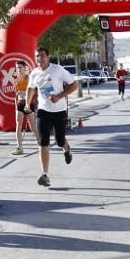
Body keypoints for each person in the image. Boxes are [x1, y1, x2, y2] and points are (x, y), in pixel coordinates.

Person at [27, 47, 78, 188]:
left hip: (60, 110)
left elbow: (75, 85)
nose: (39, 59)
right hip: (43, 111)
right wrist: (27, 103)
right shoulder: (34, 73)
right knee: (43, 142)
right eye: (37, 56)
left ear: (48, 56)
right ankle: (45, 175)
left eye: (42, 56)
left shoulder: (57, 70)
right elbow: (31, 88)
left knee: (60, 140)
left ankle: (67, 149)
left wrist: (60, 96)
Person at [12, 61, 38, 155]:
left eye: (20, 67)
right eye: (17, 68)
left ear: (25, 68)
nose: (18, 69)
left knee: (33, 127)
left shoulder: (29, 79)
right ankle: (19, 147)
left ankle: (40, 143)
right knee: (18, 126)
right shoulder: (16, 80)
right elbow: (16, 95)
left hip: (29, 105)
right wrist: (16, 106)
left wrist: (32, 105)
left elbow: (34, 93)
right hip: (20, 105)